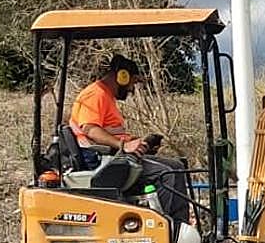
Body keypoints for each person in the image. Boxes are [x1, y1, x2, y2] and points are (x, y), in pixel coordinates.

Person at [69, 53, 190, 225]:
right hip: (103, 161)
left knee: (176, 166)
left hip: (114, 155)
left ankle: (180, 228)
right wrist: (124, 145)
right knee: (165, 174)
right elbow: (90, 129)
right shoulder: (95, 95)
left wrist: (138, 143)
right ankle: (162, 228)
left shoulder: (105, 96)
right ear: (122, 76)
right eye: (132, 82)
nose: (132, 89)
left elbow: (110, 132)